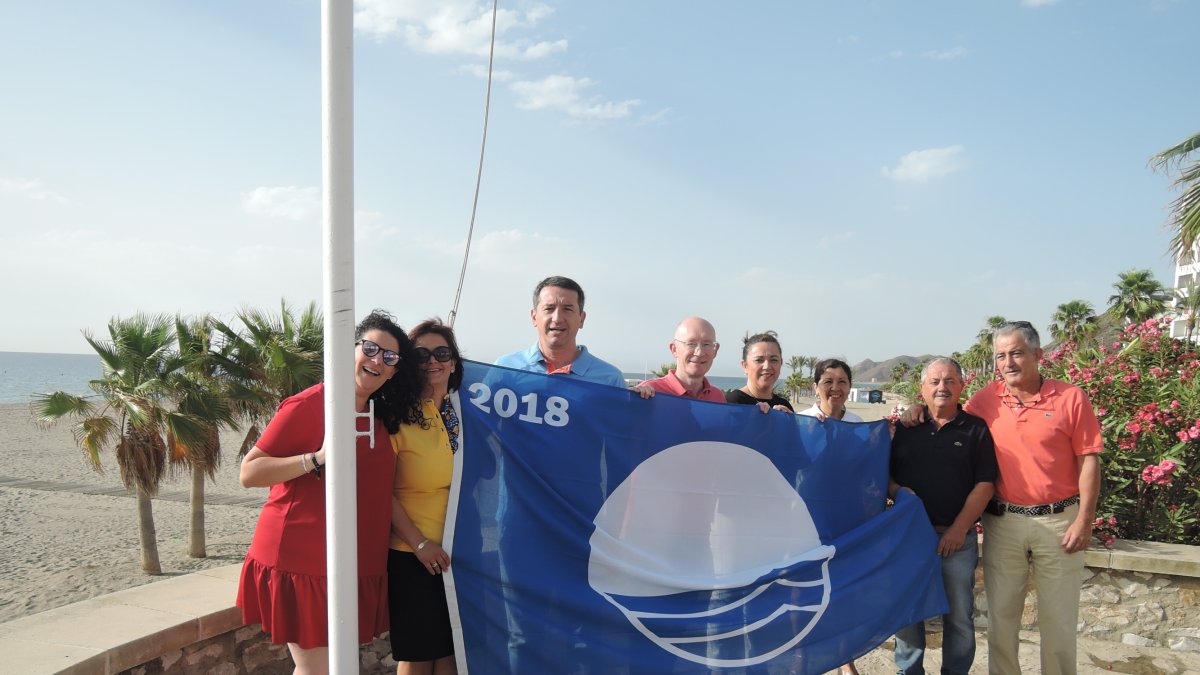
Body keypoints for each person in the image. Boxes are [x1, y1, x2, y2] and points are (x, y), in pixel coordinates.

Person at [902, 321, 1102, 675]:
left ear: (1038, 355)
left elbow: (1089, 459)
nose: (1008, 362)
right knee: (1002, 620)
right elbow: (946, 408)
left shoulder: (1071, 398)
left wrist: (1085, 520)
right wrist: (915, 410)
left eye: (1016, 353)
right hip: (1004, 522)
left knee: (1058, 620)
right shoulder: (986, 399)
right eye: (1001, 356)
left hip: (1058, 522)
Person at [237, 310, 424, 675]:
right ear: (348, 350)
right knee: (318, 669)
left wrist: (418, 542)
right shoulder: (309, 405)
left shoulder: (377, 417)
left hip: (348, 561)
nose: (377, 361)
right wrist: (317, 459)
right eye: (369, 348)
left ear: (394, 371)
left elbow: (379, 492)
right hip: (300, 559)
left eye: (389, 357)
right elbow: (250, 471)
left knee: (324, 668)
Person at [889, 358, 997, 675]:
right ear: (922, 389)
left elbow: (985, 484)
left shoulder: (976, 430)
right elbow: (885, 477)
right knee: (908, 613)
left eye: (950, 381)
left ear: (962, 387)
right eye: (934, 381)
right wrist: (896, 491)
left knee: (960, 616)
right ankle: (909, 671)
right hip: (910, 540)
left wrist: (958, 529)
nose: (942, 387)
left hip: (957, 542)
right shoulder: (906, 429)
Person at [388, 319, 464, 675]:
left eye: (441, 352)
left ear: (453, 361)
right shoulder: (394, 417)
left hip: (459, 555)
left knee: (451, 654)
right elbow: (381, 493)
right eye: (421, 354)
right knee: (418, 656)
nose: (432, 360)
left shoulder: (465, 413)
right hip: (412, 554)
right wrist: (419, 545)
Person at [494, 275, 625, 387]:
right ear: (534, 317)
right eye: (549, 308)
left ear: (581, 319)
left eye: (567, 309)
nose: (557, 318)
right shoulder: (504, 368)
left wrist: (643, 400)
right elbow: (479, 414)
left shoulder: (610, 379)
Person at [634, 317, 726, 402]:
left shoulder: (718, 398)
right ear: (674, 349)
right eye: (691, 344)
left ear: (715, 350)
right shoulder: (649, 393)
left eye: (706, 344)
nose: (699, 352)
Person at [725, 330, 794, 413]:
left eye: (774, 360)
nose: (767, 366)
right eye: (759, 360)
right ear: (745, 365)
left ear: (781, 363)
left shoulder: (784, 406)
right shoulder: (733, 401)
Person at [799, 358, 863, 422]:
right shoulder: (800, 421)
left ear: (849, 387)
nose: (835, 388)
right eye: (828, 382)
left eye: (842, 382)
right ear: (816, 388)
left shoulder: (856, 422)